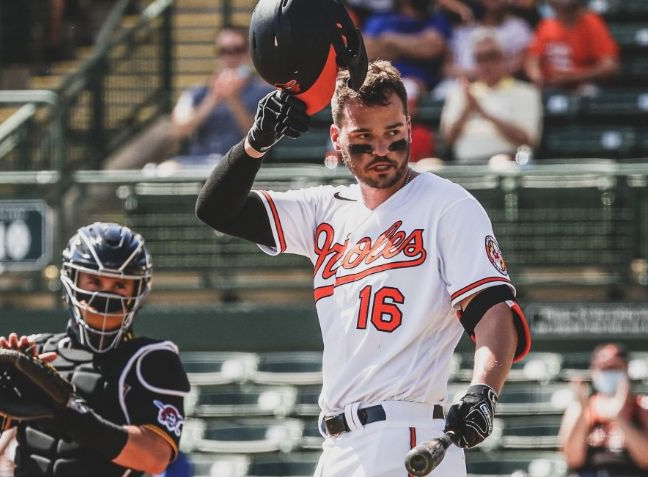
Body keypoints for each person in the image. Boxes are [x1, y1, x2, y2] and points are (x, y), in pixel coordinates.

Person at [195, 60, 532, 476]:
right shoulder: (324, 209)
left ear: (409, 126)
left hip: (407, 433)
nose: (381, 151)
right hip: (338, 444)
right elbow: (217, 209)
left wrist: (484, 390)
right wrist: (256, 142)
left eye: (393, 134)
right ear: (337, 139)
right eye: (363, 139)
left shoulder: (448, 205)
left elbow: (492, 309)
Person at [0, 222, 191, 477]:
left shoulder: (152, 358)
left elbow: (155, 457)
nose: (106, 295)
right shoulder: (39, 350)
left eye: (119, 285)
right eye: (94, 281)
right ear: (72, 279)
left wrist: (72, 414)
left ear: (137, 290)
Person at [170, 25, 273, 167]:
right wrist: (212, 100)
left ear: (248, 53)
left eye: (237, 50)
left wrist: (234, 100)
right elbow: (179, 131)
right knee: (165, 170)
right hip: (196, 163)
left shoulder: (265, 92)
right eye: (224, 51)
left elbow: (259, 136)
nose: (230, 57)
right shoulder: (196, 92)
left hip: (239, 165)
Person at [440, 29, 541, 164]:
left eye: (492, 56)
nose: (486, 64)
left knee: (499, 162)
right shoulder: (460, 93)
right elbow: (448, 139)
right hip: (464, 164)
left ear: (504, 57)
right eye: (480, 58)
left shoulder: (526, 92)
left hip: (508, 163)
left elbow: (528, 139)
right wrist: (466, 109)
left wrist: (483, 112)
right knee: (428, 167)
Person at [559, 343, 648, 476]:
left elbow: (645, 460)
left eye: (614, 368)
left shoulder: (641, 405)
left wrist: (620, 418)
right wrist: (583, 412)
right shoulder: (581, 407)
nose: (609, 373)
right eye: (604, 369)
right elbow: (573, 459)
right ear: (593, 370)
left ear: (626, 369)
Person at [524, 0, 619, 93]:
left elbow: (609, 67)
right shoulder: (547, 24)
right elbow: (532, 59)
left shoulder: (591, 23)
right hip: (549, 85)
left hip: (582, 85)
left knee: (588, 91)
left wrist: (572, 77)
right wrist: (537, 76)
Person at [362, 0, 452, 92]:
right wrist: (412, 47)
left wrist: (389, 40)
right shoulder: (381, 19)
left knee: (409, 88)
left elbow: (431, 47)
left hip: (419, 85)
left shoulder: (437, 20)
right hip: (380, 80)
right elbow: (367, 53)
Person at [445, 0, 533, 80]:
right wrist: (475, 74)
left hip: (501, 88)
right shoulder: (461, 29)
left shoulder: (518, 27)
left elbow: (519, 64)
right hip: (458, 86)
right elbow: (447, 68)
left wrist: (487, 74)